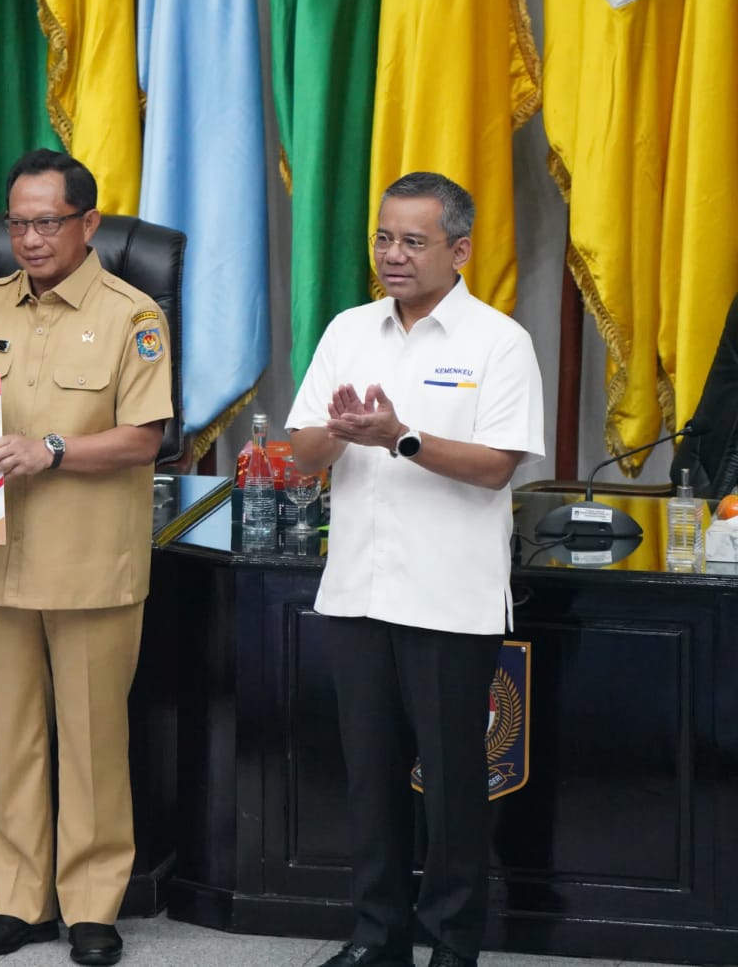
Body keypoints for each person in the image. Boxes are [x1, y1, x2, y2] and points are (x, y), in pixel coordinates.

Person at [285, 172, 545, 967]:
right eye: (383, 238)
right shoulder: (348, 330)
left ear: (459, 249)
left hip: (449, 598)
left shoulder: (498, 341)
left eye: (412, 241)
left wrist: (400, 435)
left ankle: (453, 944)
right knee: (369, 779)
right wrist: (336, 432)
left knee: (455, 785)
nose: (392, 255)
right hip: (359, 588)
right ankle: (378, 936)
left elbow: (499, 465)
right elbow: (301, 454)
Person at [0, 149, 173, 967]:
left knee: (93, 741)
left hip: (90, 564)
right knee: (15, 739)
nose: (30, 239)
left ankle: (93, 907)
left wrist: (55, 449)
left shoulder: (131, 313)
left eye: (47, 221)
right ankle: (19, 901)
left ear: (88, 223)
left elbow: (146, 438)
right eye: (17, 222)